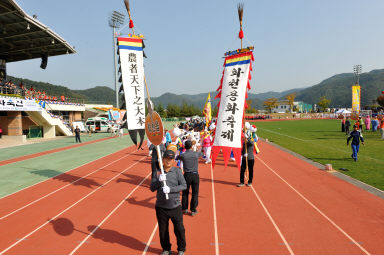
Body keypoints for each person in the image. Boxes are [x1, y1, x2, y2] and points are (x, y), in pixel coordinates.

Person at [150, 150, 187, 255]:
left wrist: (171, 189)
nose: (168, 161)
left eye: (171, 159)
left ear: (173, 160)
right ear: (163, 159)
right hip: (161, 207)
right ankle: (166, 249)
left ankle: (181, 249)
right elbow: (152, 188)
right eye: (166, 158)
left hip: (175, 206)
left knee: (179, 229)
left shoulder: (177, 171)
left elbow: (184, 185)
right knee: (163, 230)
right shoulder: (157, 172)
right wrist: (159, 181)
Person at [177, 140, 203, 216]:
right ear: (191, 146)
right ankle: (193, 210)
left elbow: (177, 157)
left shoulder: (183, 155)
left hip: (186, 175)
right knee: (195, 193)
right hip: (195, 175)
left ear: (185, 146)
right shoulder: (196, 154)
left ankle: (184, 208)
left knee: (185, 193)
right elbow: (201, 153)